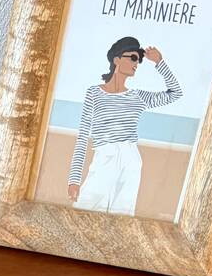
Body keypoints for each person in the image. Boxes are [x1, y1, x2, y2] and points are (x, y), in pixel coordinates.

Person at [67, 37, 182, 215]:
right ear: (117, 60)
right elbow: (82, 137)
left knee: (122, 216)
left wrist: (159, 62)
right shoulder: (94, 93)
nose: (137, 63)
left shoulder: (138, 97)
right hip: (105, 157)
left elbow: (175, 93)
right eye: (133, 58)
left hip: (131, 159)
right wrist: (74, 180)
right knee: (83, 212)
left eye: (139, 60)